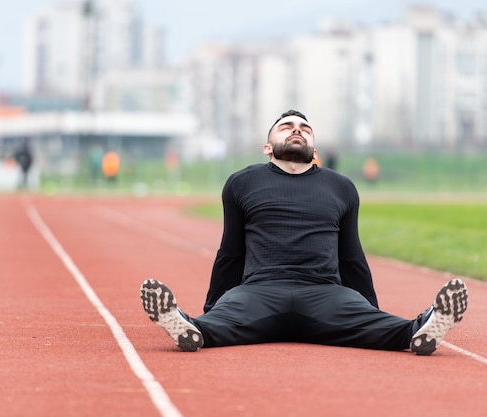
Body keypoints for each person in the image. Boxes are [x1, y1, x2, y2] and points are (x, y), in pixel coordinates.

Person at [140, 110, 468, 356]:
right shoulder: (242, 183)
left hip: (325, 293)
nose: (297, 129)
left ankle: (422, 327)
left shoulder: (341, 187)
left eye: (304, 128)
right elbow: (231, 253)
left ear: (313, 149)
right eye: (287, 126)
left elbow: (351, 256)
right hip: (260, 292)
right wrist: (212, 308)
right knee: (214, 325)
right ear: (268, 147)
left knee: (391, 331)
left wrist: (370, 310)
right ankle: (188, 325)